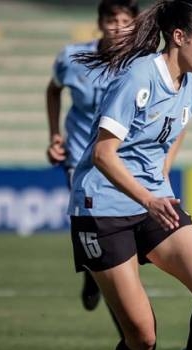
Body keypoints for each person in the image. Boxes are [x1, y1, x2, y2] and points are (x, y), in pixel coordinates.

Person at [70, 1, 192, 350]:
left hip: (153, 201)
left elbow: (170, 137)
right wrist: (148, 198)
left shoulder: (191, 84)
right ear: (179, 37)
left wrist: (157, 184)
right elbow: (104, 154)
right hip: (102, 208)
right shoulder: (138, 75)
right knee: (142, 337)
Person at [46, 0, 138, 314]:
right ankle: (94, 273)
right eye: (112, 19)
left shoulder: (141, 63)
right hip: (81, 159)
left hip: (121, 158)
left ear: (135, 24)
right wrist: (54, 134)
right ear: (100, 23)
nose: (118, 26)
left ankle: (96, 272)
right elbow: (53, 89)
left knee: (120, 227)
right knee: (93, 220)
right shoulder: (72, 58)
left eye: (125, 20)